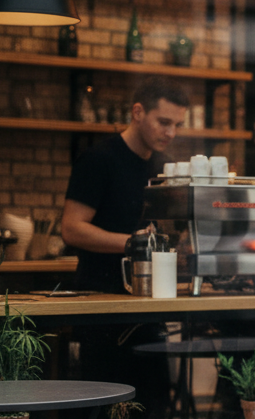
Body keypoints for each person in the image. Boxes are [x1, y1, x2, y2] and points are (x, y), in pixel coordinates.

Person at [62, 77, 188, 293]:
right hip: (100, 295)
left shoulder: (166, 166)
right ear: (138, 112)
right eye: (164, 122)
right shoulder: (99, 159)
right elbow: (71, 229)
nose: (171, 133)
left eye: (177, 125)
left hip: (153, 292)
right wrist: (135, 243)